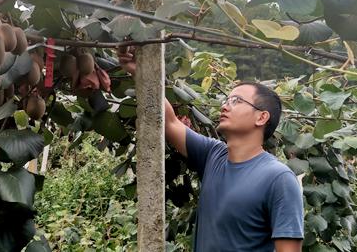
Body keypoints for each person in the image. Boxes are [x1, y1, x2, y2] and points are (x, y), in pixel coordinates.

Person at [118, 49, 304, 252]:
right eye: (227, 100)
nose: (225, 106)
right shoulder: (213, 155)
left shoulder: (279, 178)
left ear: (261, 117)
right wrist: (140, 72)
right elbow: (169, 122)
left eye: (236, 101)